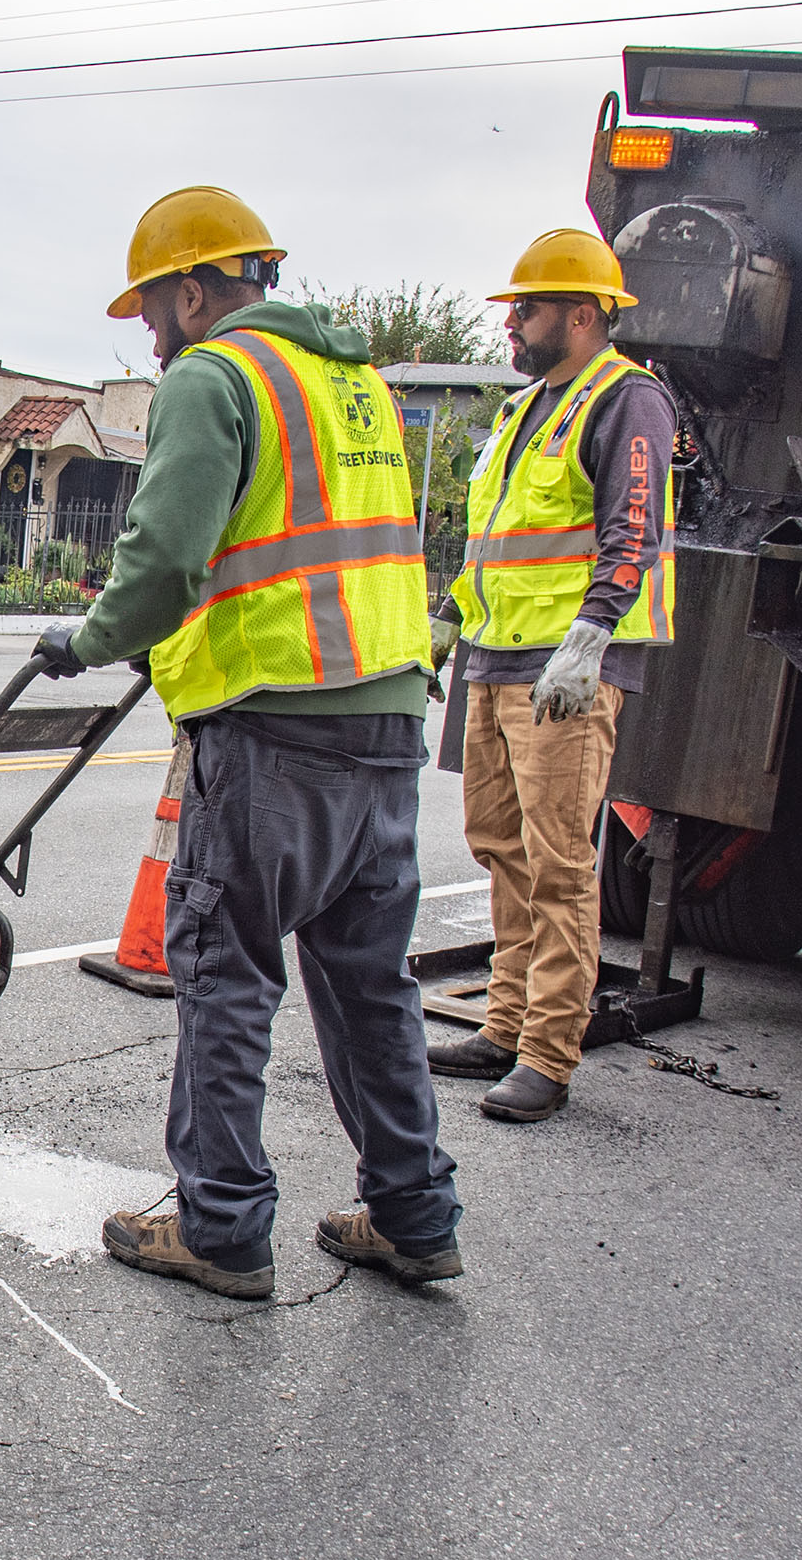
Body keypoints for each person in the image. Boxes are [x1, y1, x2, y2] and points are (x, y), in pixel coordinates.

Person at [36, 186, 462, 1299]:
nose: (148, 330)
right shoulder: (354, 380)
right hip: (386, 721)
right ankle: (415, 1212)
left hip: (275, 733)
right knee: (371, 984)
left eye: (151, 308)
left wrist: (87, 638)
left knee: (226, 972)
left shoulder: (213, 377)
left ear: (194, 287)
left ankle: (222, 1224)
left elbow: (168, 555)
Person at [423, 229, 677, 1123]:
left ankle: (548, 1052)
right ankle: (503, 1021)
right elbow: (490, 542)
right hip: (497, 659)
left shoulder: (626, 400)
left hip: (560, 670)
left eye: (525, 308)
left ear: (580, 313)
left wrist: (591, 639)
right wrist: (449, 624)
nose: (512, 324)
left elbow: (633, 528)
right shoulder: (522, 408)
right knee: (499, 846)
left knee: (559, 860)